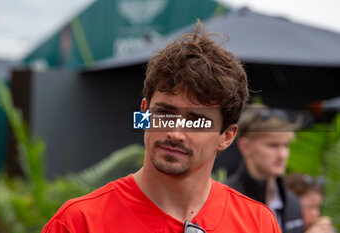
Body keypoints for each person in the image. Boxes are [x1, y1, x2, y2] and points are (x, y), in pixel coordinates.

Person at [42, 21, 281, 233]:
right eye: (164, 113)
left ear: (226, 136)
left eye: (197, 120)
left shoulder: (258, 224)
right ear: (145, 112)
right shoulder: (78, 223)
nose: (175, 133)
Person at [226, 104, 304, 233]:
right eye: (273, 145)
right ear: (245, 146)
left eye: (286, 145)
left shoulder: (292, 202)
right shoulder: (225, 201)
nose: (282, 155)